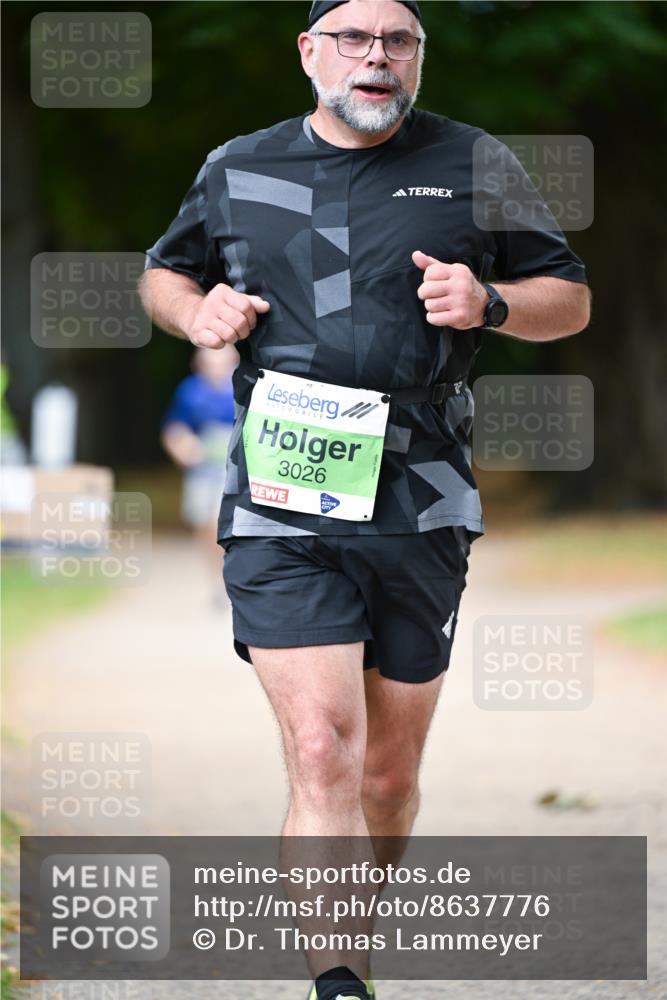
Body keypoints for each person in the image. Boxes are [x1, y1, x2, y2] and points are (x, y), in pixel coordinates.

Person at [139, 2, 590, 996]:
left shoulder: (475, 162)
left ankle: (356, 923)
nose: (376, 57)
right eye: (353, 38)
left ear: (418, 59)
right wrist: (194, 308)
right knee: (318, 745)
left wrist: (493, 302)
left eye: (399, 41)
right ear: (309, 53)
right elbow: (165, 274)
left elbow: (569, 297)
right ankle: (335, 977)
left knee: (385, 778)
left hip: (421, 493)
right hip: (281, 494)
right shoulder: (236, 167)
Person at [161, 345, 238, 590]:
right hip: (203, 469)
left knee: (220, 520)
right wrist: (182, 448)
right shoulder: (190, 391)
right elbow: (175, 428)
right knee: (204, 523)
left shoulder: (243, 388)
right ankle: (216, 577)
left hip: (232, 470)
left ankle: (230, 575)